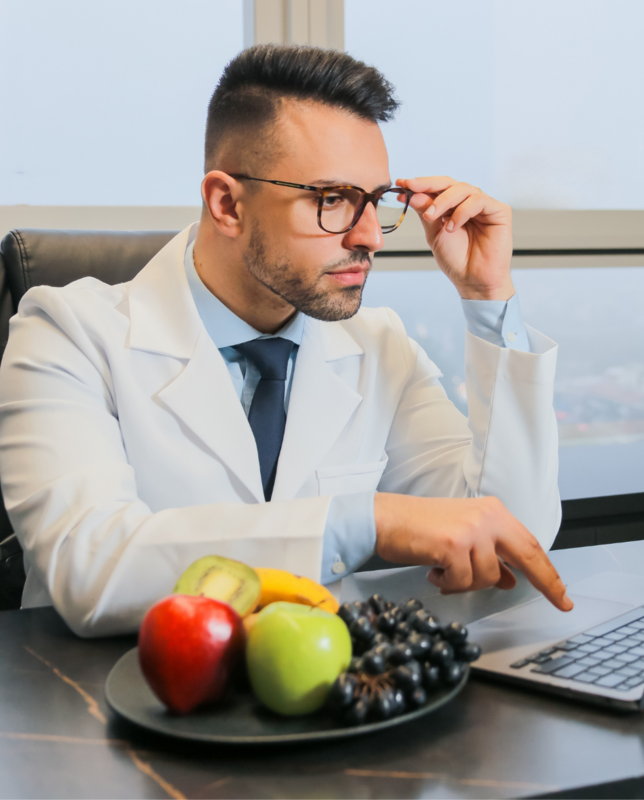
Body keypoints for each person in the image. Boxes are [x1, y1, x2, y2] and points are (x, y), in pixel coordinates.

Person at [0, 45, 571, 637]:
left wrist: (488, 297)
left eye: (375, 201)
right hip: (103, 687)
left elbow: (511, 541)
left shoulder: (380, 347)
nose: (371, 237)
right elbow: (90, 568)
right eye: (332, 200)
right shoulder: (66, 333)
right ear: (227, 204)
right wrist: (368, 521)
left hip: (320, 685)